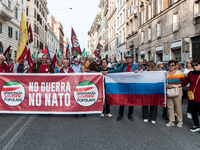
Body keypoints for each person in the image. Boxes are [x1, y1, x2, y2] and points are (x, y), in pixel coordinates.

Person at [102, 55, 139, 121]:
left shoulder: (135, 66)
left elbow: (140, 74)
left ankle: (130, 114)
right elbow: (116, 70)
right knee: (122, 99)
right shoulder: (123, 66)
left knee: (131, 100)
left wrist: (138, 72)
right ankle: (120, 114)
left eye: (130, 58)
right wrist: (107, 72)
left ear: (132, 59)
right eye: (127, 58)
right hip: (123, 85)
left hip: (131, 85)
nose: (128, 59)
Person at [181, 58, 200, 132]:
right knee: (193, 111)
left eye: (196, 65)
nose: (195, 66)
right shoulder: (190, 73)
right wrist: (178, 85)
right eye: (193, 65)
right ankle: (196, 125)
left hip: (199, 96)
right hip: (191, 95)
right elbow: (185, 82)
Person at [166, 60, 185, 127]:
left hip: (177, 90)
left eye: (172, 65)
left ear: (175, 66)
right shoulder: (166, 73)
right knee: (169, 106)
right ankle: (171, 120)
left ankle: (180, 120)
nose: (171, 66)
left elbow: (185, 80)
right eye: (169, 65)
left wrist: (180, 85)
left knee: (178, 106)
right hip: (169, 90)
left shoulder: (179, 73)